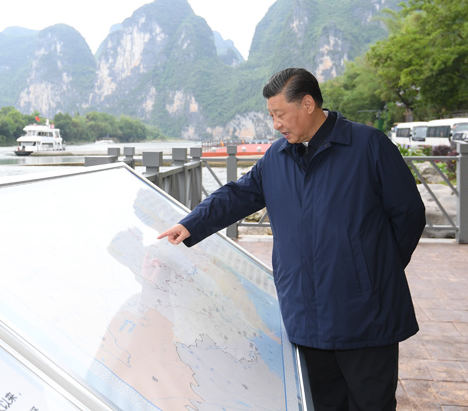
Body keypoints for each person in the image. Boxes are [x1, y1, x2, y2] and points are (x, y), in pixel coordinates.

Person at [158, 68, 425, 410]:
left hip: (364, 316)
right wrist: (191, 224)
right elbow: (237, 194)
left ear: (308, 104)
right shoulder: (277, 156)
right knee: (321, 404)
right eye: (271, 116)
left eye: (280, 114)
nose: (276, 124)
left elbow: (409, 213)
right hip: (306, 315)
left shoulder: (368, 145)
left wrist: (376, 270)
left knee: (371, 403)